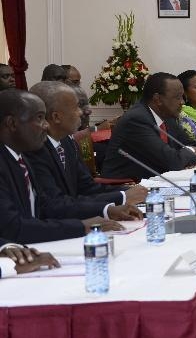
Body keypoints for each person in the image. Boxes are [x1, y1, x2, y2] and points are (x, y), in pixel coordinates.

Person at [0, 90, 122, 243]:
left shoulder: (21, 157)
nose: (46, 125)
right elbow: (12, 226)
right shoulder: (17, 159)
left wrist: (105, 211)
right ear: (12, 123)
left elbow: (46, 205)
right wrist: (80, 227)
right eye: (39, 118)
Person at [26, 82, 144, 220]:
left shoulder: (67, 142)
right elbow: (54, 204)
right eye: (76, 107)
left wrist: (130, 192)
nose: (81, 112)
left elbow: (87, 188)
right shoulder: (35, 150)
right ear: (56, 117)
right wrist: (120, 199)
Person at [100, 72, 196, 180]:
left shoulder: (168, 116)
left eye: (183, 97)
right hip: (126, 186)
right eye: (177, 97)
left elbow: (193, 145)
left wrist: (191, 151)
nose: (182, 102)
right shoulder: (136, 120)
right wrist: (192, 152)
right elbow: (172, 161)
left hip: (156, 180)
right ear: (158, 99)